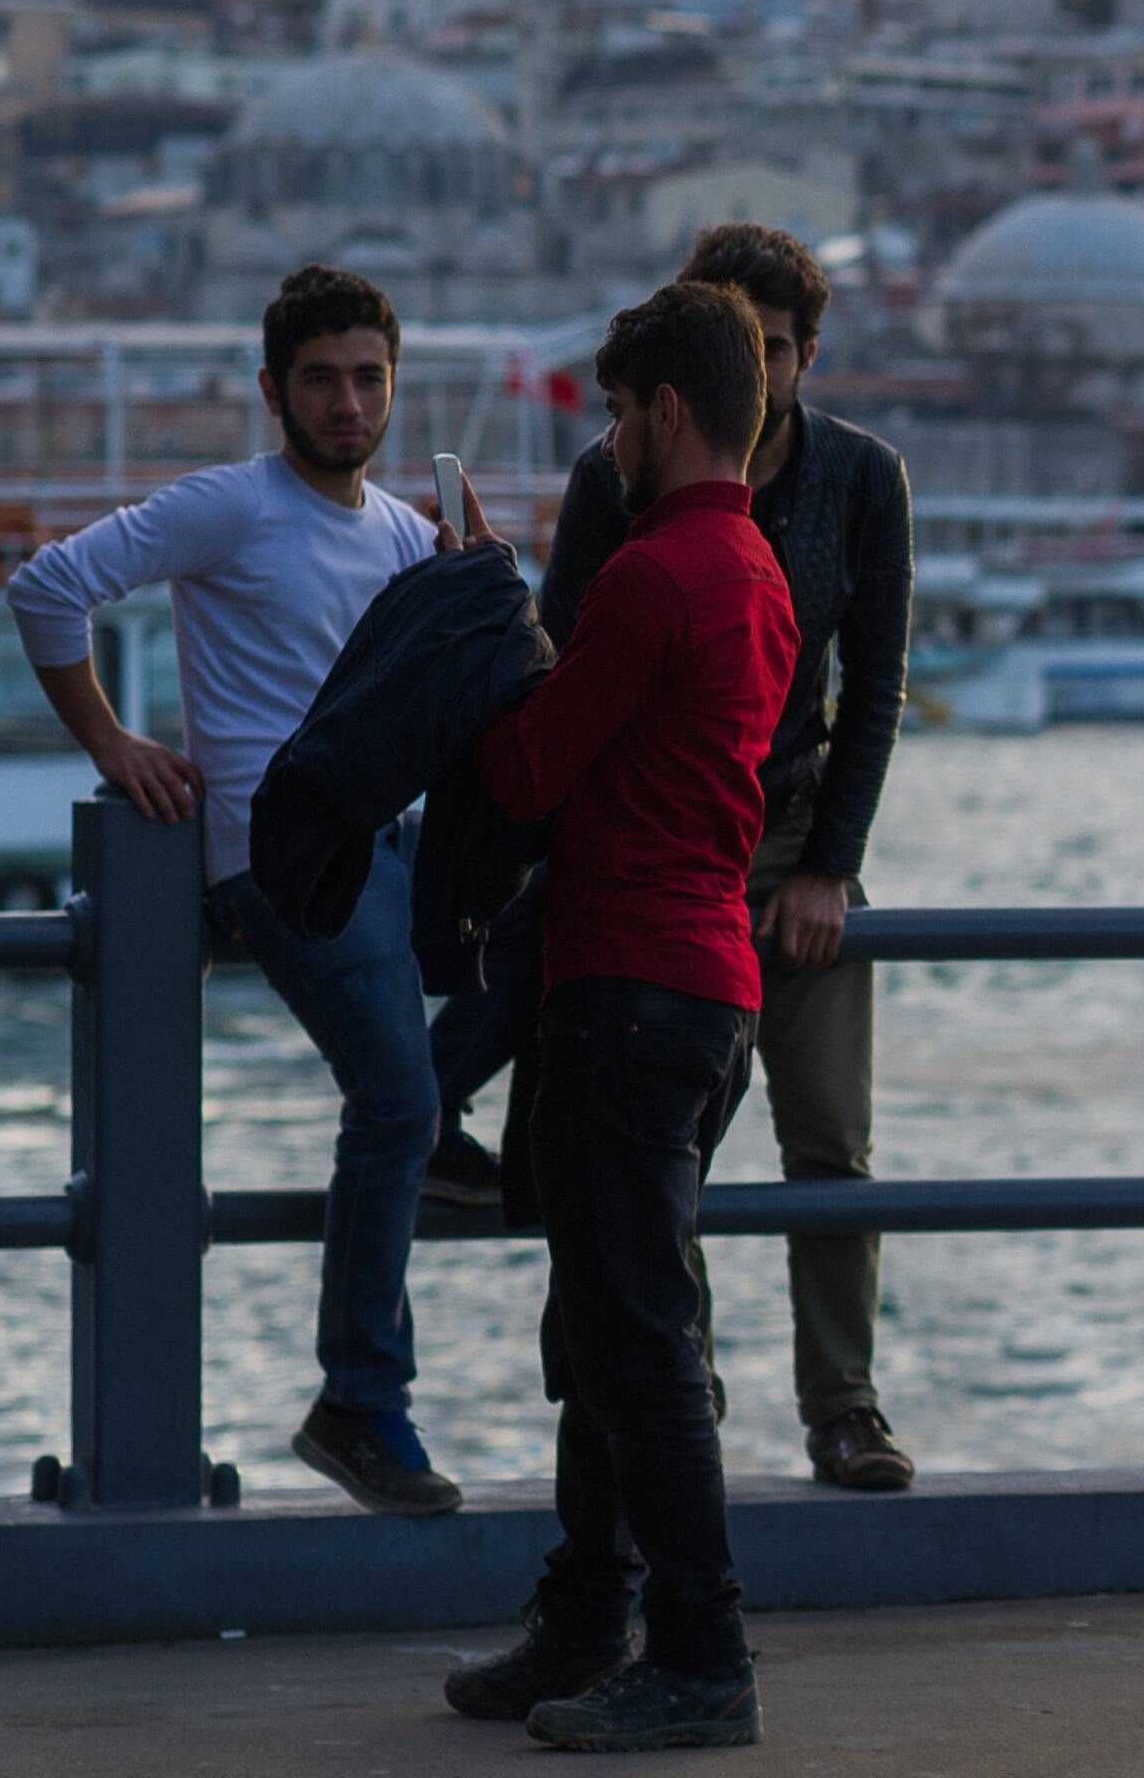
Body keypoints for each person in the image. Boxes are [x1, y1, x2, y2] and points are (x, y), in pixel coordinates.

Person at [427, 221, 918, 1490]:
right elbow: (576, 666)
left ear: (806, 356)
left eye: (771, 348)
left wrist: (830, 863)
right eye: (732, 342)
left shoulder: (862, 480)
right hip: (661, 841)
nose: (750, 370)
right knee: (660, 1155)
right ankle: (675, 1385)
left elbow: (871, 689)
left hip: (786, 824)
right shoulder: (619, 473)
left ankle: (841, 1404)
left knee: (828, 1139)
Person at [5, 265, 459, 1515]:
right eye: (320, 379)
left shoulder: (405, 533)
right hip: (280, 858)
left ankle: (450, 1133)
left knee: (525, 978)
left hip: (388, 846)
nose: (348, 402)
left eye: (368, 377)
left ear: (394, 385)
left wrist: (470, 586)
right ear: (272, 389)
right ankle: (360, 1399)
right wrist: (114, 743)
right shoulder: (231, 505)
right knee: (395, 1100)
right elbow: (47, 586)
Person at [438, 282, 795, 1752]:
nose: (607, 445)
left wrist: (483, 616)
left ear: (668, 409)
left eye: (617, 416)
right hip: (704, 993)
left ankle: (701, 1655)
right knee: (607, 1331)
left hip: (625, 990)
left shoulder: (654, 576)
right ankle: (588, 1617)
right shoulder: (756, 570)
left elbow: (529, 770)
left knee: (635, 1345)